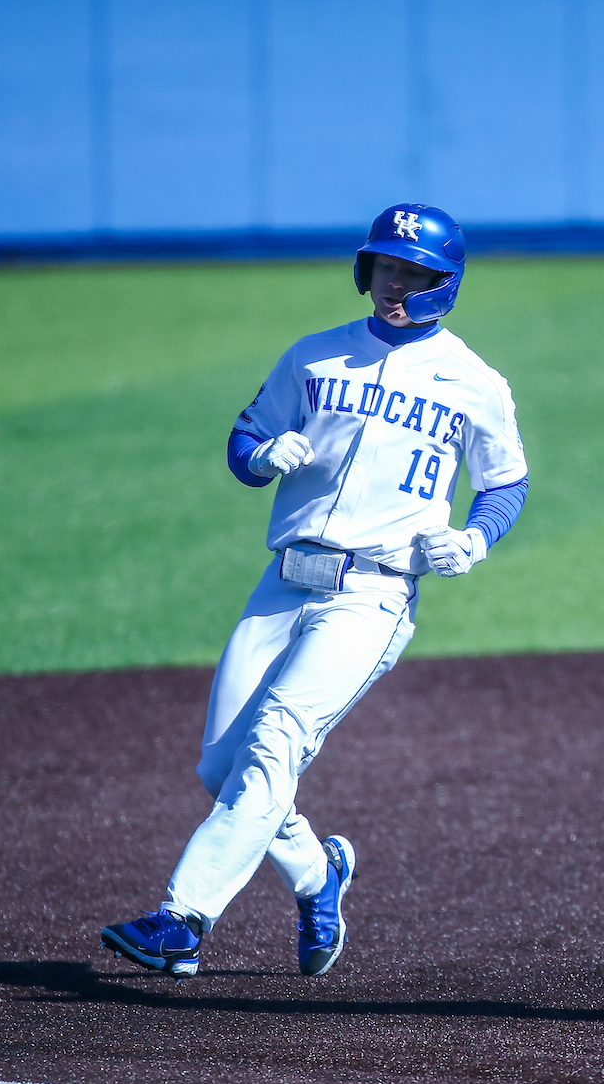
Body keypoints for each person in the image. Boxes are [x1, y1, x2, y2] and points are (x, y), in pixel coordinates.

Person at [100, 204, 528, 979]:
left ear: (445, 283)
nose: (396, 285)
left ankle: (182, 921)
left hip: (372, 597)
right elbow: (242, 441)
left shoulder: (475, 382)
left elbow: (505, 483)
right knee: (220, 767)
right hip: (284, 583)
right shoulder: (315, 357)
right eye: (387, 268)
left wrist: (474, 537)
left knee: (274, 743)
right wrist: (264, 456)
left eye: (415, 273)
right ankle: (317, 874)